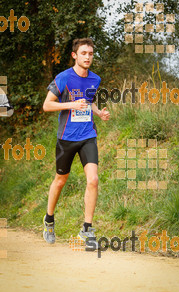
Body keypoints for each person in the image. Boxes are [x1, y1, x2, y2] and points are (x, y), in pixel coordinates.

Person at [42, 38, 110, 248]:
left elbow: (88, 102)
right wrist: (72, 104)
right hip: (66, 138)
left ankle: (87, 230)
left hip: (87, 135)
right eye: (83, 53)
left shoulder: (95, 79)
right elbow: (47, 105)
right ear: (75, 55)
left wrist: (99, 112)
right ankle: (49, 220)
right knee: (61, 180)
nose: (88, 57)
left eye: (90, 53)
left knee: (93, 180)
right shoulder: (63, 78)